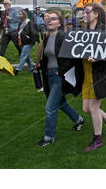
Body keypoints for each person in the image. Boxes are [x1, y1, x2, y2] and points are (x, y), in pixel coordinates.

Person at [59, 4, 106, 152]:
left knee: (93, 107)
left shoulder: (105, 32)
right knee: (86, 108)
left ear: (96, 14)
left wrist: (99, 58)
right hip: (86, 75)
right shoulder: (82, 32)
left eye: (87, 12)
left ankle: (97, 139)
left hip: (100, 75)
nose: (84, 15)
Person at [35, 11, 85, 147]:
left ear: (59, 22)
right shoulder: (46, 38)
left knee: (50, 107)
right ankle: (79, 120)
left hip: (60, 76)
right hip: (48, 75)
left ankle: (49, 136)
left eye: (53, 19)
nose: (49, 21)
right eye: (48, 19)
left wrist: (60, 71)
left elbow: (72, 58)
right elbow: (47, 57)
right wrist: (40, 65)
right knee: (61, 103)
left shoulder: (64, 36)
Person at [14, 10, 38, 76]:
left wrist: (34, 41)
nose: (19, 15)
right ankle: (32, 68)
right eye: (19, 14)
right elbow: (19, 31)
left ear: (24, 15)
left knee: (23, 56)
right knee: (27, 57)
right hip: (22, 41)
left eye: (20, 14)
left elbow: (33, 32)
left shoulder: (29, 22)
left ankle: (17, 70)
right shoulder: (20, 22)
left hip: (29, 42)